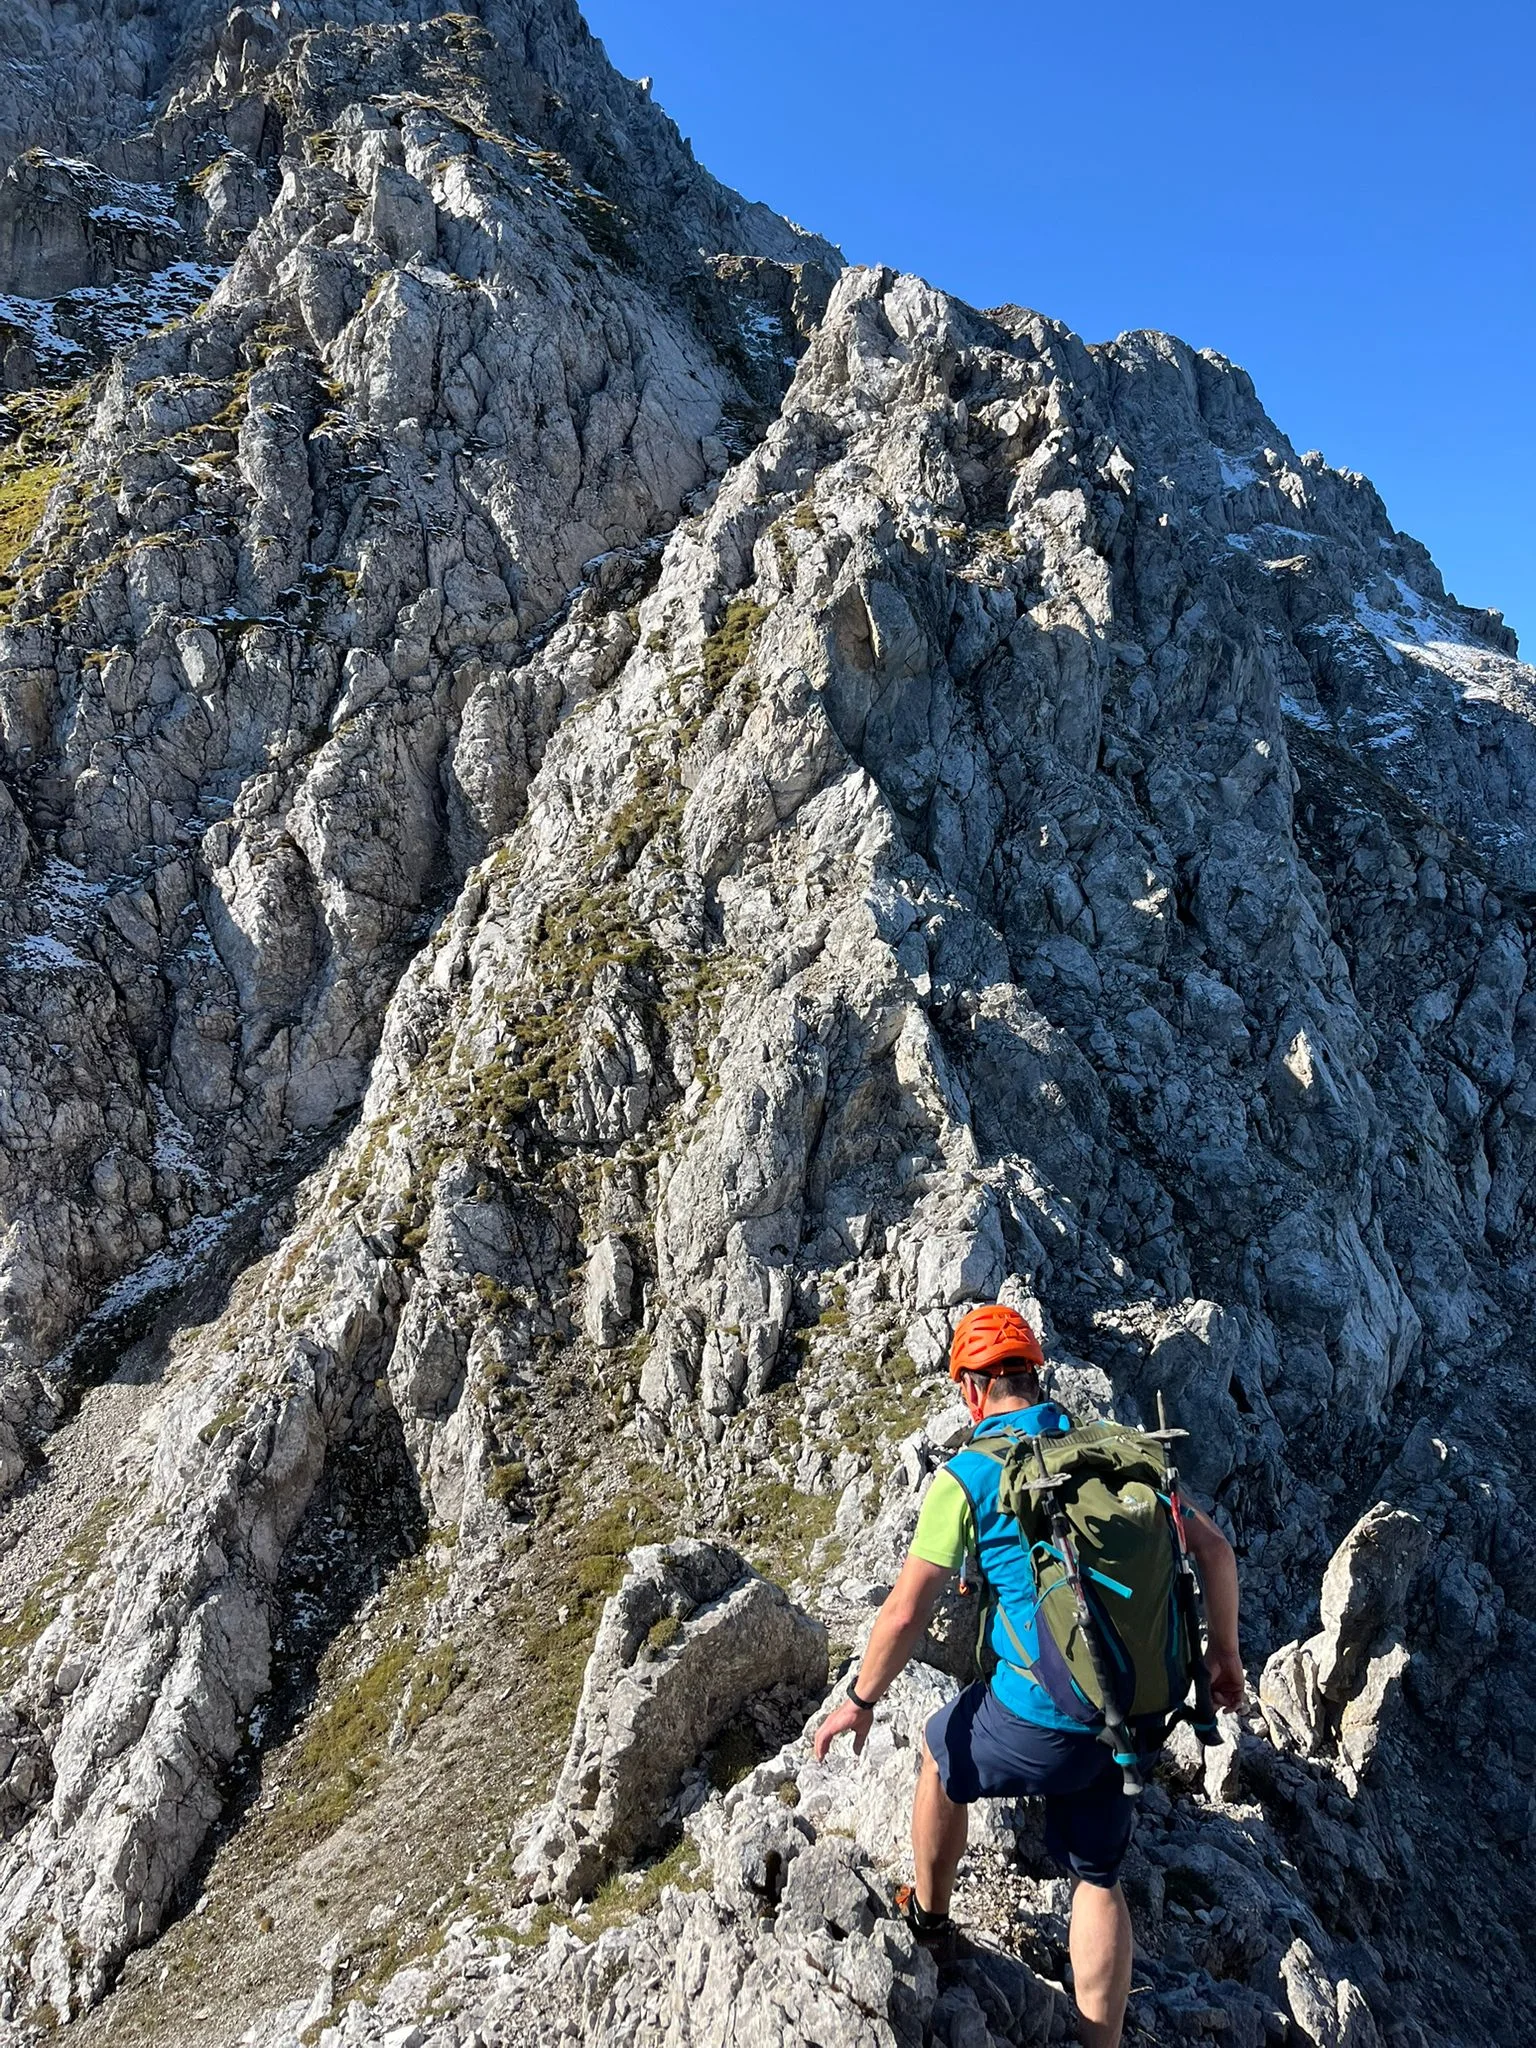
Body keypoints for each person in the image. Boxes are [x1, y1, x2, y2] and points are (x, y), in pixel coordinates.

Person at [814, 1303, 1243, 2048]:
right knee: (1099, 1879)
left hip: (1041, 1719)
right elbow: (1218, 1554)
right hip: (1131, 1714)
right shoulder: (1115, 1452)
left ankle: (931, 1918)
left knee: (938, 1751)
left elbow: (905, 1613)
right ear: (1036, 1378)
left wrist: (858, 1700)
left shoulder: (969, 1475)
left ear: (970, 1391)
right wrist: (1224, 1656)